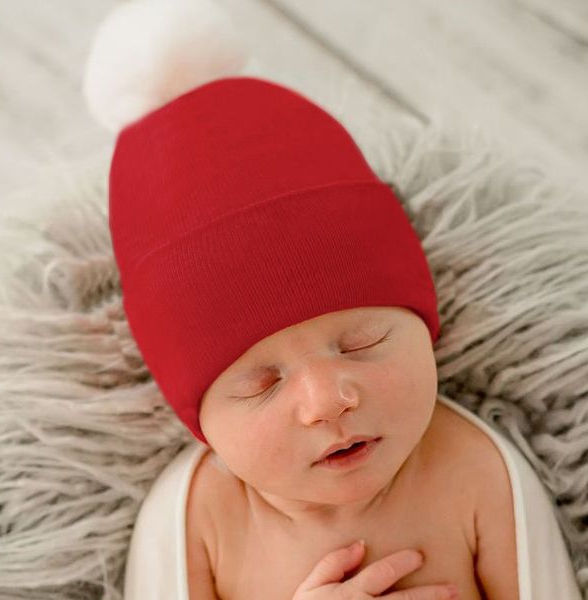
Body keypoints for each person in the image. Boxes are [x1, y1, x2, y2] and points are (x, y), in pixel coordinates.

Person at [84, 2, 582, 598]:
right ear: (200, 421)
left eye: (363, 343)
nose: (328, 401)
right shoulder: (196, 519)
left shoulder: (476, 472)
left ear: (427, 327)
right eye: (261, 383)